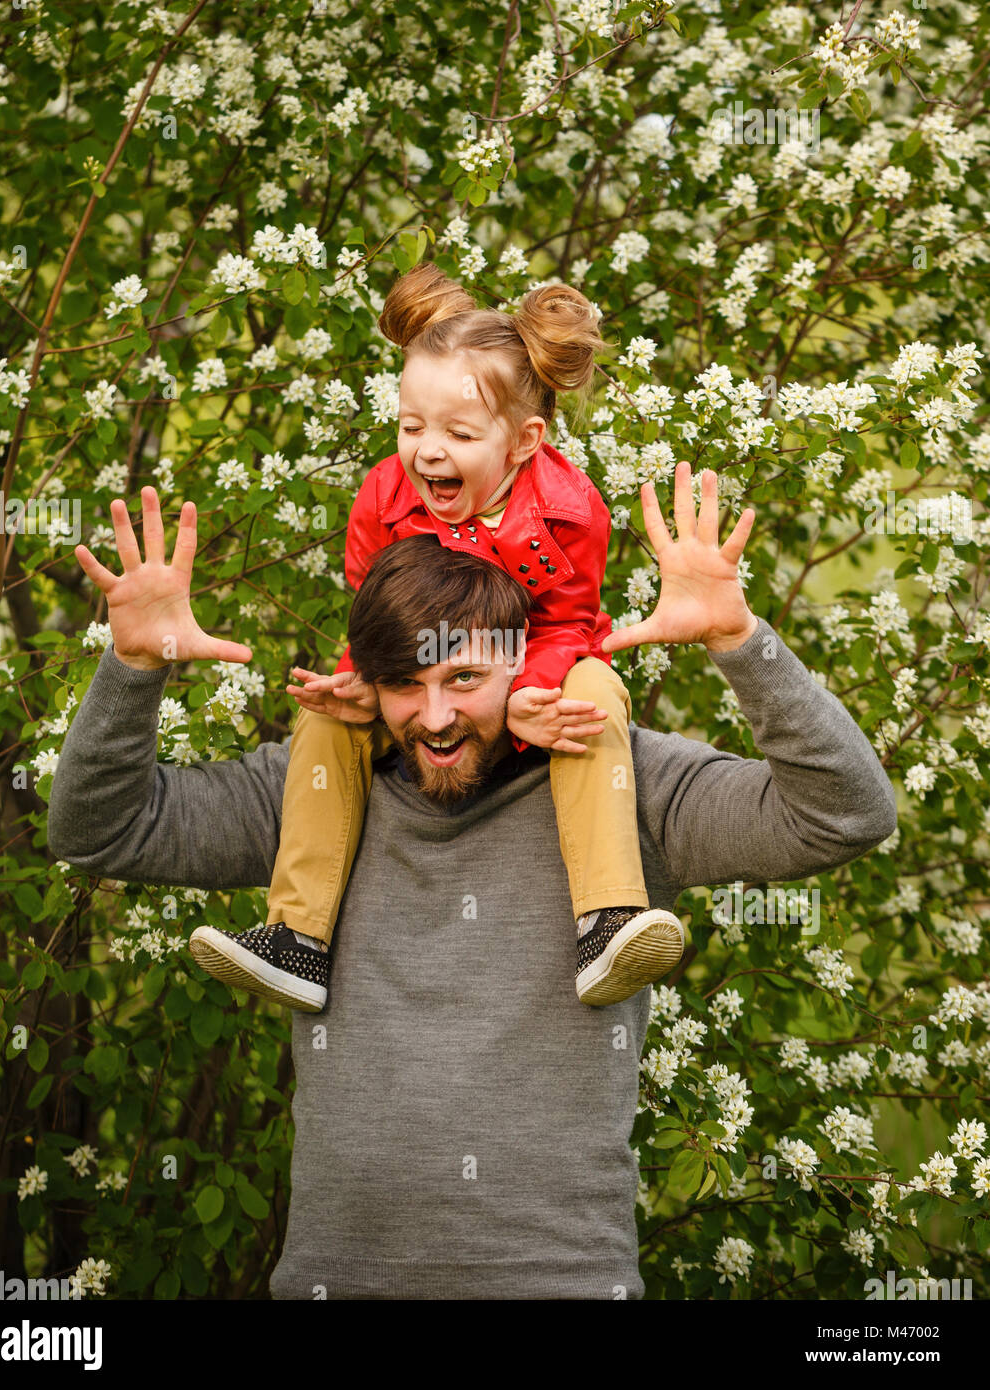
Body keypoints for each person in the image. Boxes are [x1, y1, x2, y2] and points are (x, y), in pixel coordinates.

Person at [52, 465, 897, 1299]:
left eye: (462, 679)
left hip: (558, 1280)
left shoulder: (618, 781)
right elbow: (100, 830)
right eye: (403, 687)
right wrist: (133, 668)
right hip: (335, 1280)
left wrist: (737, 642)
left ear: (523, 663)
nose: (436, 717)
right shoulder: (313, 793)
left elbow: (844, 814)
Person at [189, 261, 685, 1015]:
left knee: (595, 693)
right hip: (423, 704)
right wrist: (362, 676)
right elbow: (375, 608)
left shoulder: (568, 512)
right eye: (409, 426)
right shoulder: (384, 496)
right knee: (325, 718)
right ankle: (296, 937)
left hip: (525, 689)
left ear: (524, 440)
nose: (424, 450)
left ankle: (606, 921)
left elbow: (565, 622)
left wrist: (526, 695)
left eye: (457, 432)